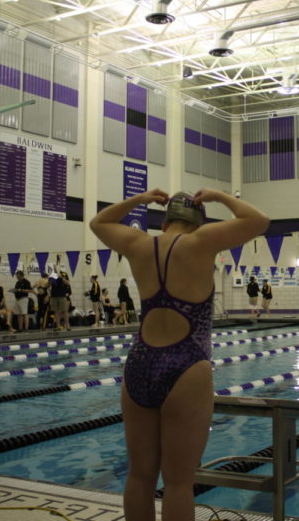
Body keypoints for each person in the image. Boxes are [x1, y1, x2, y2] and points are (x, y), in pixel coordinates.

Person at [90, 187, 267, 521]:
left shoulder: (137, 243)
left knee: (139, 476)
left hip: (140, 362)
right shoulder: (202, 242)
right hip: (187, 365)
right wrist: (219, 196)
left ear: (166, 219)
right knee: (178, 483)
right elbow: (258, 220)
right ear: (198, 220)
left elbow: (98, 222)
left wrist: (139, 201)